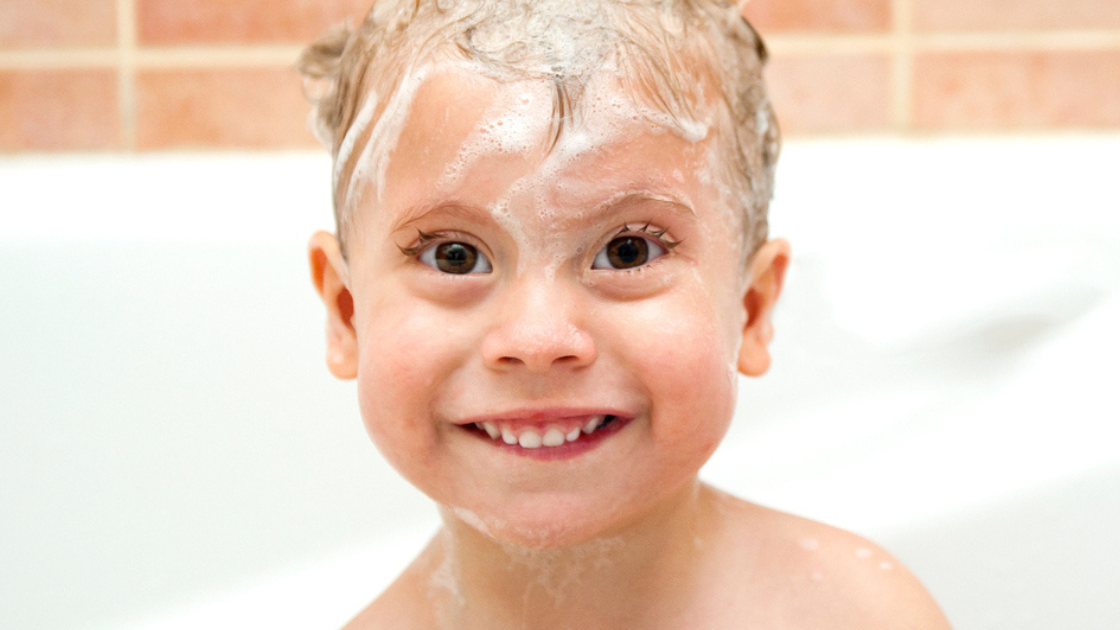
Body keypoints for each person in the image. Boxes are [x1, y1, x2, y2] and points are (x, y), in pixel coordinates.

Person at [299, 1, 952, 627]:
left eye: (625, 250)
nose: (537, 339)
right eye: (455, 257)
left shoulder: (854, 616)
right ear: (347, 313)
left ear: (750, 309)